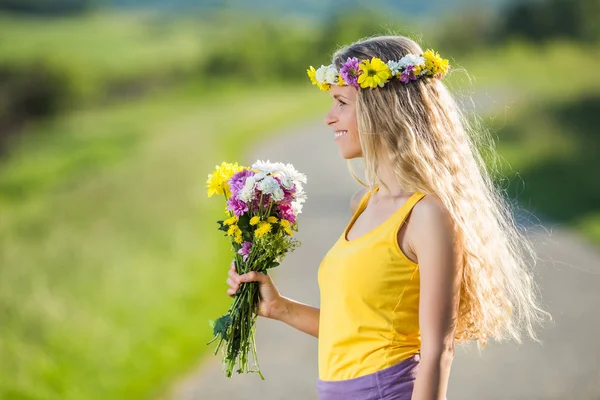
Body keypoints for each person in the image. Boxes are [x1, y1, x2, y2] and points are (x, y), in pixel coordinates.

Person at [225, 35, 547, 400]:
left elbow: (438, 351)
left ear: (383, 108)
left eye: (341, 102)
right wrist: (281, 308)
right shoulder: (364, 203)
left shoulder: (428, 215)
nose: (330, 118)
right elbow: (356, 331)